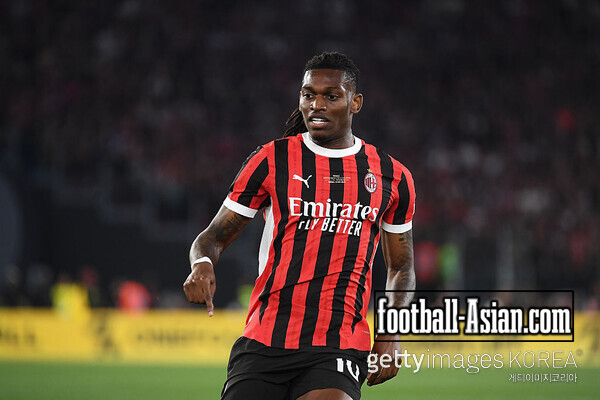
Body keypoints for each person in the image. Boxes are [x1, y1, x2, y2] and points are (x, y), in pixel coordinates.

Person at [183, 52, 416, 400]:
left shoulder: (391, 176)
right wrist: (201, 264)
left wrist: (390, 333)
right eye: (309, 95)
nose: (317, 105)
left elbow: (401, 265)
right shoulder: (270, 160)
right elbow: (213, 237)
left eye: (331, 96)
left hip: (338, 342)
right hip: (266, 336)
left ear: (356, 103)